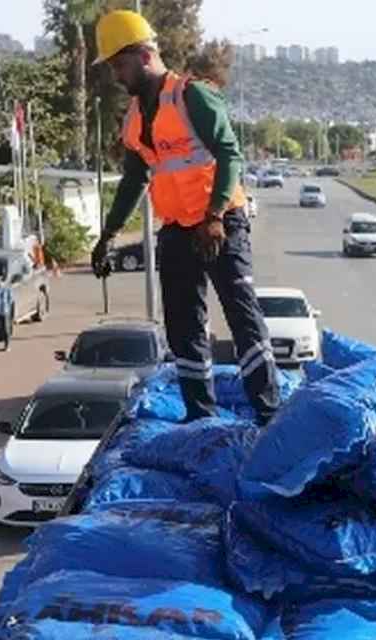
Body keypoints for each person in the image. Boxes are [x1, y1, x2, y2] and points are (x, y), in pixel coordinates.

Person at [89, 10, 280, 426]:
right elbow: (133, 180)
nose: (116, 76)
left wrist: (213, 216)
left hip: (220, 223)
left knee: (242, 315)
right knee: (183, 327)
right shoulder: (135, 120)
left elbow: (230, 154)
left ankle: (269, 414)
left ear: (143, 55)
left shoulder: (192, 95)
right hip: (177, 230)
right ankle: (200, 419)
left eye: (119, 65)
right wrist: (107, 235)